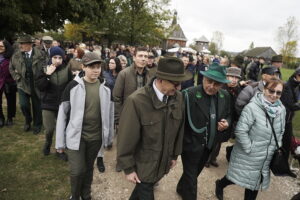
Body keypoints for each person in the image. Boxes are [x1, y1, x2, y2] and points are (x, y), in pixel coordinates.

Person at [117, 57, 191, 200]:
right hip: (143, 165)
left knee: (142, 190)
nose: (179, 88)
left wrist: (175, 155)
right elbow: (126, 138)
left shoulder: (179, 98)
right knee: (145, 189)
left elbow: (179, 128)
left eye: (180, 84)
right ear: (160, 79)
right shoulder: (136, 101)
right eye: (175, 84)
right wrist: (128, 168)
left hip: (163, 163)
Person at [215, 77, 286, 200]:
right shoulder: (252, 107)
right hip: (249, 153)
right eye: (271, 91)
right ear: (264, 89)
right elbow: (241, 130)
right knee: (236, 177)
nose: (274, 95)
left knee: (254, 184)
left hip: (266, 156)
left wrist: (276, 146)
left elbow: (281, 130)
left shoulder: (281, 110)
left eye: (278, 92)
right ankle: (220, 184)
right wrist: (250, 148)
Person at [55, 52, 113, 200]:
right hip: (76, 137)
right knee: (77, 170)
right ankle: (74, 196)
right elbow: (62, 114)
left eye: (98, 67)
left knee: (88, 169)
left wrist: (108, 138)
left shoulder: (106, 88)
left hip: (95, 138)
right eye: (91, 67)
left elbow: (110, 115)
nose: (96, 70)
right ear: (83, 67)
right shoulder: (73, 86)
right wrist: (60, 142)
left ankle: (86, 195)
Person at [176, 63, 232, 200]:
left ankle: (181, 187)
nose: (212, 86)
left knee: (194, 173)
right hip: (190, 145)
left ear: (222, 85)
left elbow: (229, 114)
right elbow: (177, 121)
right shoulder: (189, 94)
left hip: (209, 145)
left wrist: (227, 122)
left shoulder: (225, 96)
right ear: (203, 79)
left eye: (217, 84)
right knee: (191, 178)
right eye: (209, 81)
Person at [35, 46, 73, 160]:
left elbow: (71, 85)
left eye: (60, 58)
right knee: (49, 128)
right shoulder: (43, 68)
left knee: (61, 129)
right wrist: (47, 75)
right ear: (51, 57)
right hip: (48, 103)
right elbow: (40, 87)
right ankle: (47, 143)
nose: (57, 60)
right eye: (55, 57)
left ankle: (59, 150)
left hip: (62, 104)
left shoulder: (67, 69)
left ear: (63, 58)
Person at [206, 67, 242, 167]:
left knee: (220, 141)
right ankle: (207, 159)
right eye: (231, 77)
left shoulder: (237, 89)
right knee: (213, 140)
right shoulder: (220, 87)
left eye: (236, 77)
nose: (234, 80)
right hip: (218, 118)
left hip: (229, 119)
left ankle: (213, 158)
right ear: (226, 77)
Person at [9, 35, 45, 134]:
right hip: (22, 84)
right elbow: (11, 68)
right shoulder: (16, 55)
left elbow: (45, 67)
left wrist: (42, 78)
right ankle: (28, 120)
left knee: (37, 106)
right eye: (19, 43)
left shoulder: (41, 54)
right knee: (23, 105)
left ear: (29, 44)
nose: (20, 45)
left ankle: (37, 125)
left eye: (22, 43)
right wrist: (17, 78)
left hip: (36, 84)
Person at [280, 67, 300, 162]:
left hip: (288, 119)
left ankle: (283, 163)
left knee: (288, 143)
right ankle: (280, 163)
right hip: (283, 119)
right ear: (297, 75)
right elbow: (291, 105)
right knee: (284, 143)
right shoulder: (288, 86)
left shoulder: (296, 85)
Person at [0, 40, 16, 127]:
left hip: (9, 81)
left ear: (6, 47)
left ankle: (10, 118)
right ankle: (1, 118)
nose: (0, 48)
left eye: (2, 46)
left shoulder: (11, 57)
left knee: (11, 101)